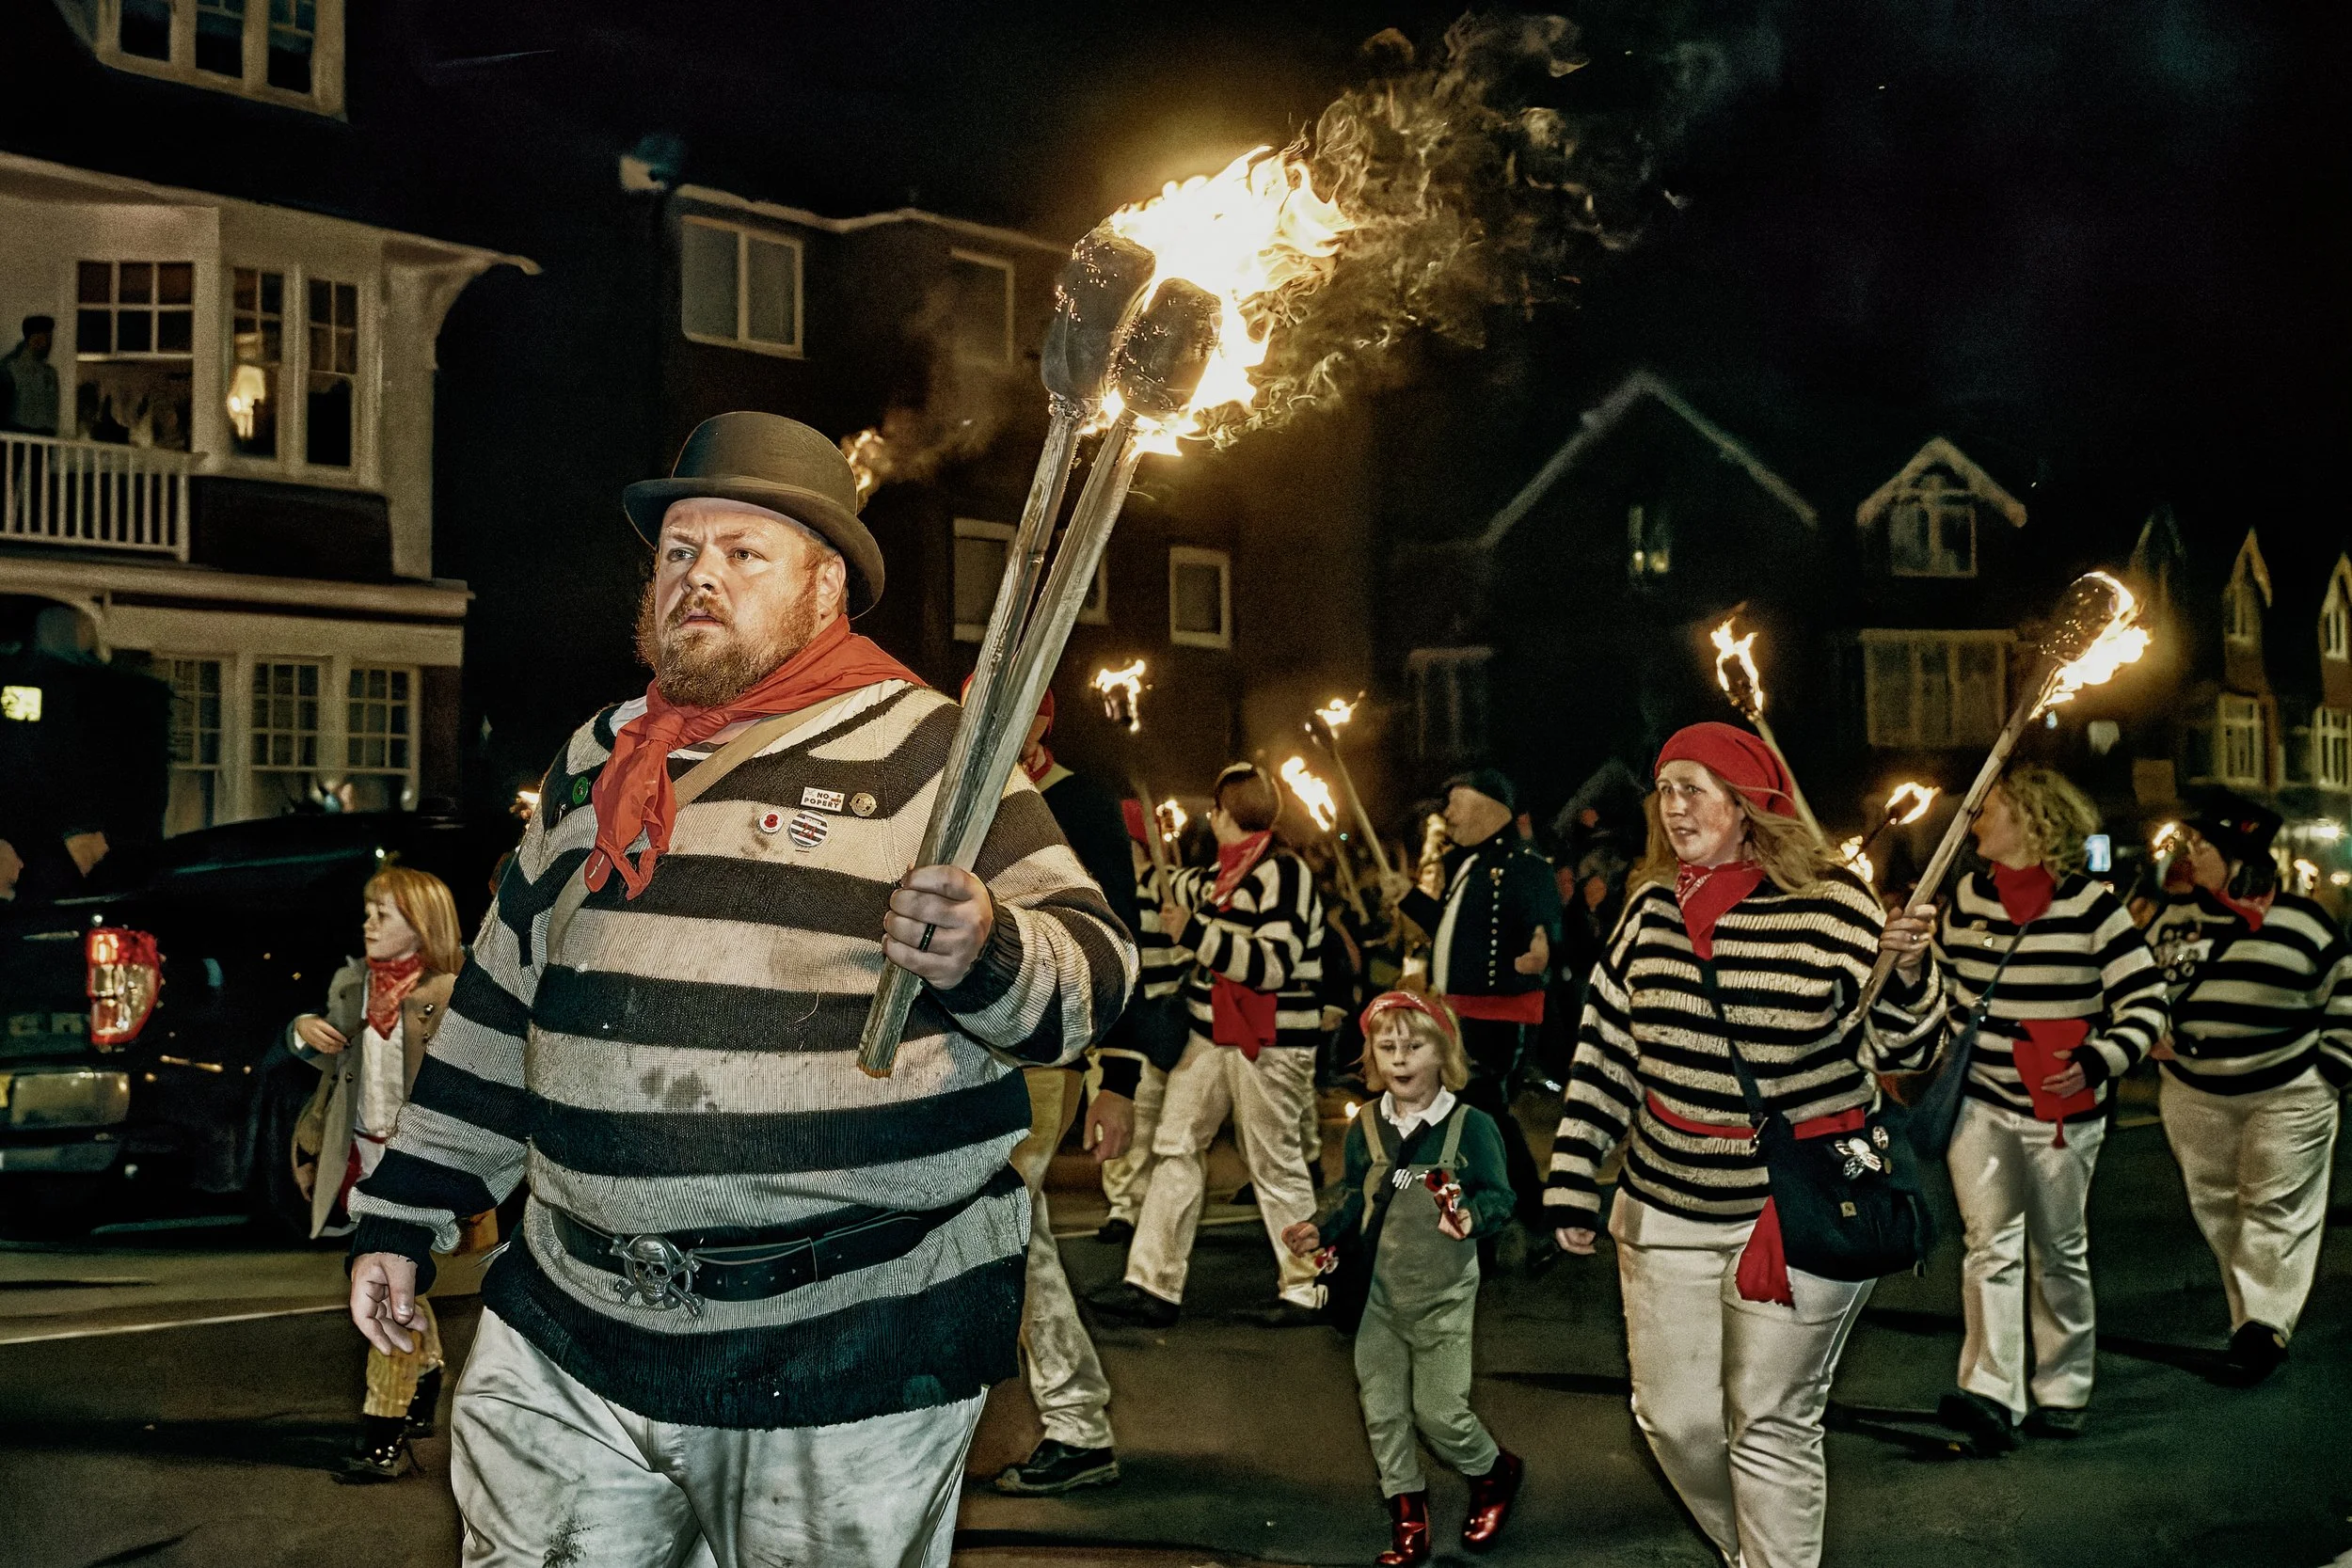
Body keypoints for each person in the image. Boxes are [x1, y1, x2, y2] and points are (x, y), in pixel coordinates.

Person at [343, 413, 1136, 1568]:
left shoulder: (935, 748)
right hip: (569, 1324)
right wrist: (407, 1212)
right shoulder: (595, 761)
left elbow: (1094, 974)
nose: (697, 574)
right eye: (677, 550)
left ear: (826, 587)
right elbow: (500, 1008)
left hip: (843, 1345)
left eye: (741, 551)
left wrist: (989, 946)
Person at [1544, 721, 1941, 1568]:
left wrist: (1906, 974)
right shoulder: (1650, 907)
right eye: (1666, 789)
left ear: (1748, 802)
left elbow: (1905, 1052)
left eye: (1696, 786)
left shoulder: (1835, 903)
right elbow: (1607, 1049)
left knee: (1769, 1418)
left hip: (1796, 1203)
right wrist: (1575, 1177)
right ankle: (1752, 1553)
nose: (1675, 805)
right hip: (1667, 1201)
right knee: (1676, 1420)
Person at [1929, 765, 2166, 1454]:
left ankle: (2063, 1386)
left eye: (1990, 808)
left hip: (2063, 1108)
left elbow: (2146, 1001)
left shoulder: (2093, 906)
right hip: (1981, 1101)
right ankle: (1991, 1391)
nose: (1975, 819)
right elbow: (1941, 990)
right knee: (1989, 1245)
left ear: (2033, 821)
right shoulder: (1967, 897)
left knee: (2058, 1249)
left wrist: (2096, 1059)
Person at [1284, 991, 1521, 1565]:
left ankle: (1494, 1472)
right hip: (1378, 1298)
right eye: (1385, 1047)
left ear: (1443, 1053)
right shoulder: (1366, 1124)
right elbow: (1352, 1196)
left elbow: (1500, 1197)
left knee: (1441, 1413)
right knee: (1385, 1411)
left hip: (1443, 1297)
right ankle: (1408, 1520)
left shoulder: (1472, 1126)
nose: (1398, 1058)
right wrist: (1319, 1227)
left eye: (1413, 1046)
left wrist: (1473, 1216)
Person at [1089, 762, 1328, 1328]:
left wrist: (1193, 932)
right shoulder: (1218, 877)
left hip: (1270, 1038)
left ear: (1229, 813)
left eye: (1217, 809)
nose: (1211, 817)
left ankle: (1310, 1283)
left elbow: (1271, 966)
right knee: (1175, 1147)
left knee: (1274, 1162)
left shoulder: (1284, 875)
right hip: (1210, 1032)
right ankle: (1153, 1284)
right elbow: (1156, 890)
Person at [992, 686, 1145, 1497]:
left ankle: (1078, 1423)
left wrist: (1118, 1073)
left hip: (1045, 1057)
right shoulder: (966, 792)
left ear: (1041, 719)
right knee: (1007, 1230)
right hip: (973, 1053)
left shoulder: (1079, 802)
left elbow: (1119, 934)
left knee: (1015, 1230)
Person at [2146, 791, 2351, 1384]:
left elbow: (2344, 989)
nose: (2189, 855)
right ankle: (2254, 1318)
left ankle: (2262, 1326)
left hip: (2287, 1089)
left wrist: (2332, 1068)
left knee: (2274, 1204)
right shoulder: (2173, 919)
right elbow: (2142, 987)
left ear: (2236, 856)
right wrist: (2150, 1029)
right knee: (2217, 1204)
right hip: (2193, 1090)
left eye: (2201, 846)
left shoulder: (2302, 920)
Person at [287, 864, 465, 1481]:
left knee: (390, 1290)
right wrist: (300, 1031)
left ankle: (383, 1434)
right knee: (395, 1284)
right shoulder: (352, 986)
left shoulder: (449, 993)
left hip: (418, 1165)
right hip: (361, 1159)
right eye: (366, 912)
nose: (368, 923)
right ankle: (429, 1368)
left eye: (382, 914)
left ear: (420, 925)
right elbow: (321, 1058)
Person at [1384, 769, 1562, 1243]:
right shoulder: (1470, 864)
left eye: (1455, 802)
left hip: (1501, 1015)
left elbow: (1544, 918)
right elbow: (1452, 927)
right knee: (1475, 1118)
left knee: (1480, 1115)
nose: (1447, 815)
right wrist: (1408, 900)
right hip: (1464, 1014)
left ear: (1488, 804)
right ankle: (1496, 1216)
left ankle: (1515, 1216)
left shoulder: (1523, 863)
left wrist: (1541, 946)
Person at [1095, 798, 1194, 1243]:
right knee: (1120, 1109)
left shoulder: (1164, 885)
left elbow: (1187, 953)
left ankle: (1145, 1202)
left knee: (1153, 1112)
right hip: (1118, 1017)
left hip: (1159, 1013)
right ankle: (1122, 1205)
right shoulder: (1102, 886)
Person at [0, 315, 58, 436]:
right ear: (34, 339)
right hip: (17, 438)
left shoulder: (50, 373)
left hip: (44, 439)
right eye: (45, 338)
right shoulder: (10, 368)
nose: (49, 343)